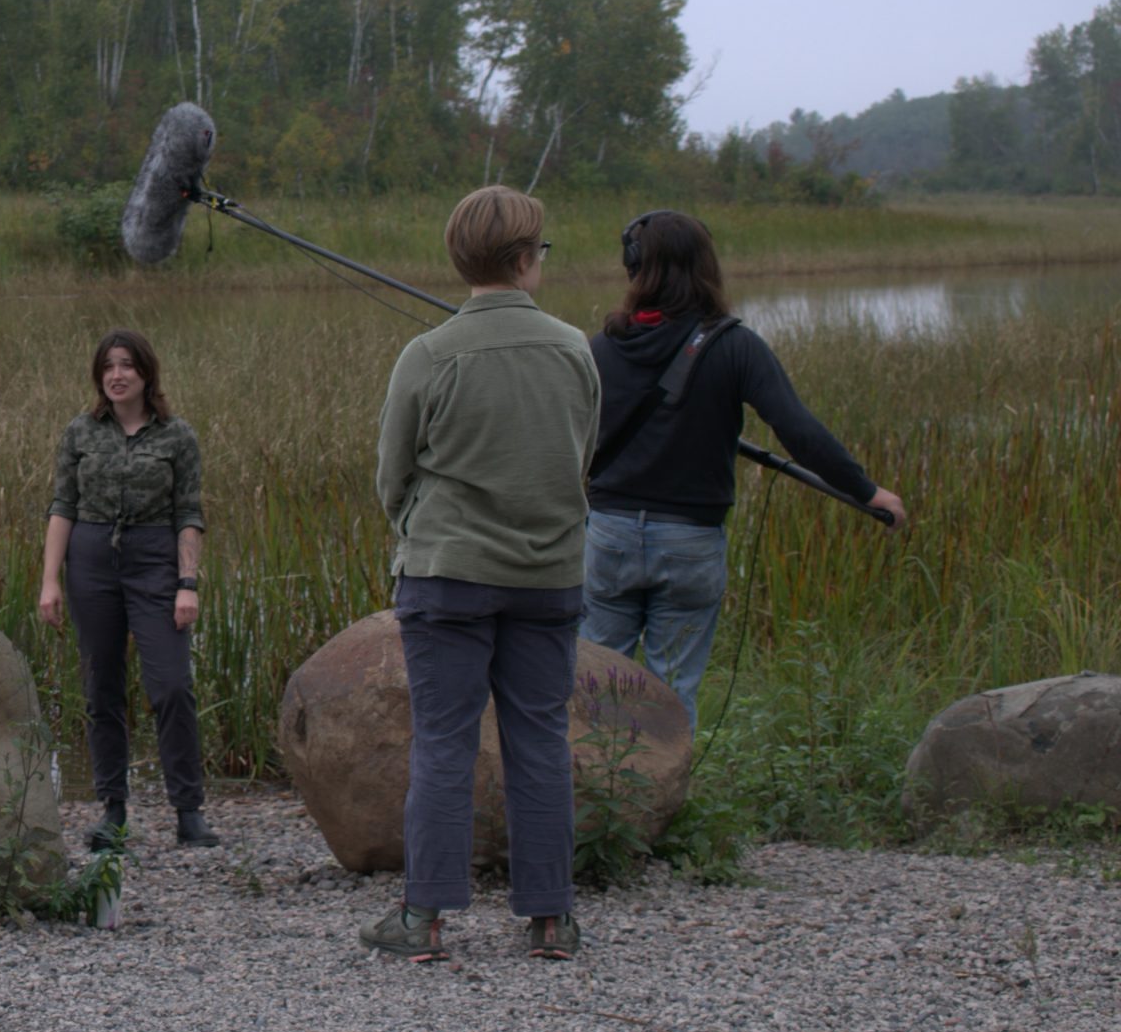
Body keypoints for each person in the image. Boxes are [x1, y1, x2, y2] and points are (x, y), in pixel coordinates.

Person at [363, 186, 599, 965]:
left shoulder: (428, 355)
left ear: (462, 261)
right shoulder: (573, 350)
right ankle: (551, 921)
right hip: (549, 576)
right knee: (539, 741)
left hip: (447, 576)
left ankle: (423, 919)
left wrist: (419, 535)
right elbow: (578, 460)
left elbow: (392, 476)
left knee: (442, 742)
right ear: (528, 260)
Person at [583, 210, 906, 726]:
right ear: (706, 266)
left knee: (600, 687)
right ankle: (663, 800)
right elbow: (797, 430)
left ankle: (595, 799)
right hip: (690, 544)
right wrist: (866, 491)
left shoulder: (599, 348)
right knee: (671, 694)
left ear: (634, 267)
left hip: (608, 536)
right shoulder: (735, 346)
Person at [37, 329, 219, 851]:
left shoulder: (176, 436)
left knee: (171, 686)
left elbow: (189, 512)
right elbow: (62, 507)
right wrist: (51, 581)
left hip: (155, 561)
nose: (117, 375)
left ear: (146, 374)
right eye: (108, 367)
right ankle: (113, 810)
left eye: (127, 366)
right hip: (91, 561)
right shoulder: (80, 432)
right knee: (102, 689)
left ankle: (189, 812)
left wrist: (188, 583)